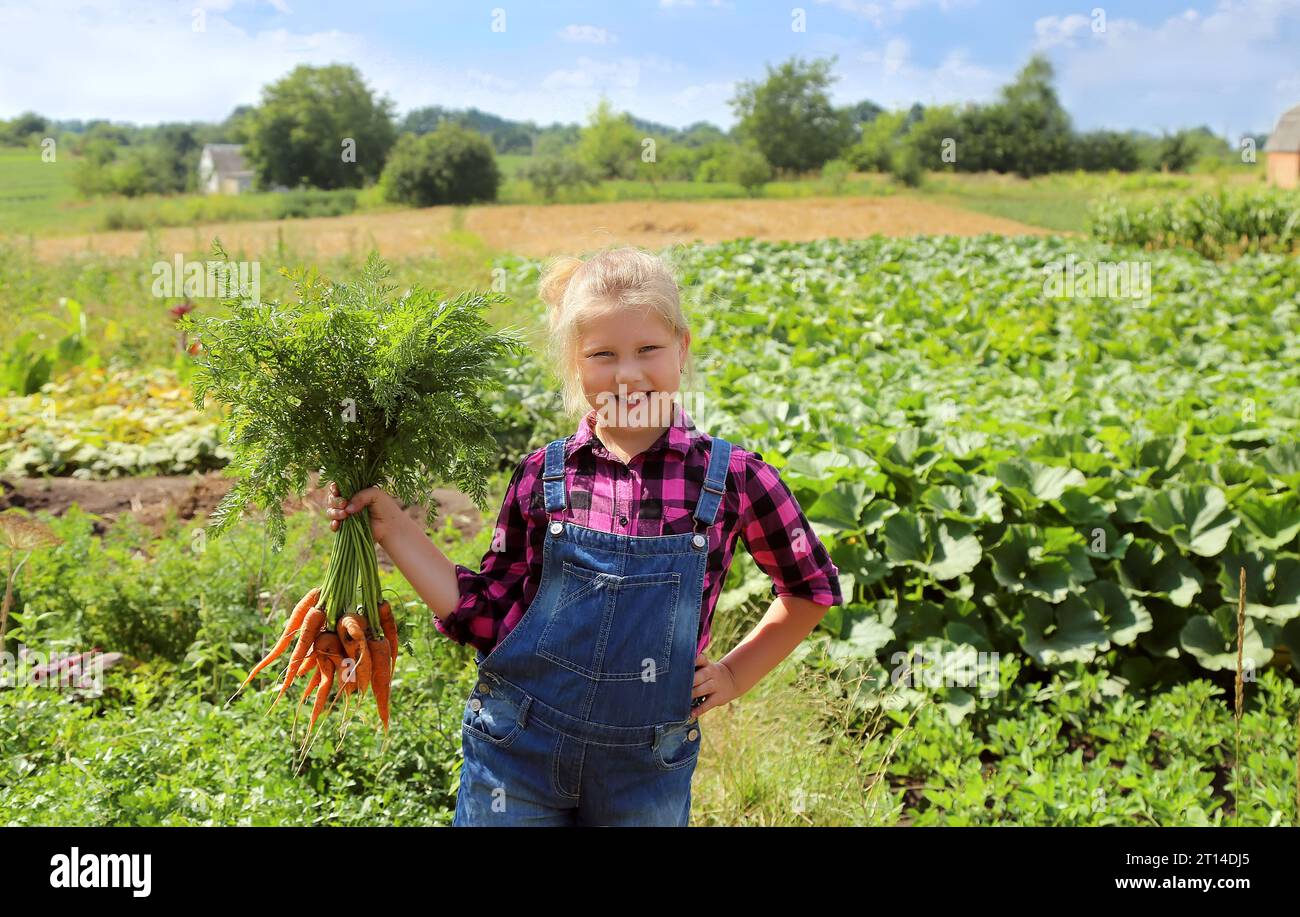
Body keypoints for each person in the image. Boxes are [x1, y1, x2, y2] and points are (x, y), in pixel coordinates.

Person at [326, 245, 842, 826]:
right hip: (517, 750)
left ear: (683, 349)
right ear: (577, 365)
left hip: (644, 768)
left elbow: (809, 588)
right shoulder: (543, 477)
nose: (628, 373)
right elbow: (489, 613)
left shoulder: (734, 478)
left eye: (648, 348)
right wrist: (394, 528)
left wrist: (734, 675)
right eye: (603, 354)